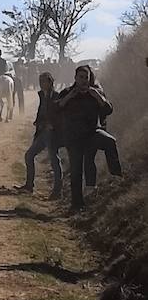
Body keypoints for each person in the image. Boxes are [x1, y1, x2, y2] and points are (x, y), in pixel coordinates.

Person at [57, 65, 121, 211]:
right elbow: (56, 109)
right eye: (80, 77)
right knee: (76, 171)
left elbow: (108, 109)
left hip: (92, 134)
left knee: (110, 141)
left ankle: (116, 177)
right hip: (73, 138)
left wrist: (98, 97)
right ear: (75, 78)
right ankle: (76, 205)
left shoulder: (95, 92)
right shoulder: (67, 92)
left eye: (86, 77)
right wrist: (69, 97)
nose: (84, 80)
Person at [17, 72, 63, 198]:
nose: (42, 84)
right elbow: (42, 111)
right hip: (42, 132)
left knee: (54, 161)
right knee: (29, 155)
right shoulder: (42, 95)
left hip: (51, 133)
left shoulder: (56, 96)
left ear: (50, 82)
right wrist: (38, 121)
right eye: (40, 81)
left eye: (44, 81)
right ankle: (29, 186)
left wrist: (52, 125)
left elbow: (59, 114)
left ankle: (57, 191)